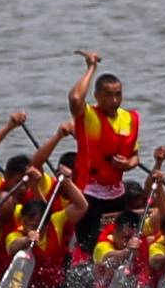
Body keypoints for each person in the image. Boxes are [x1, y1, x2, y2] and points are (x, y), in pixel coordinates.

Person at [59, 51, 140, 258]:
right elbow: (75, 97)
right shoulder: (89, 116)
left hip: (117, 194)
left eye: (118, 94)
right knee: (90, 246)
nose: (114, 100)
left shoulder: (128, 118)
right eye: (108, 94)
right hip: (90, 193)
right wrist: (91, 68)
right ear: (96, 96)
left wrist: (127, 165)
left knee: (117, 242)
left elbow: (135, 157)